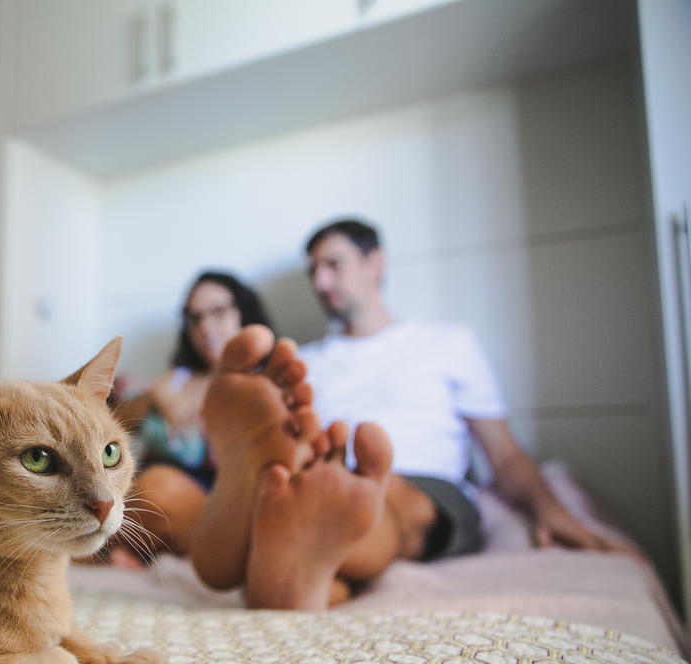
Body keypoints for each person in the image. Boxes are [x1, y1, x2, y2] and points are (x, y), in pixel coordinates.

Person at [185, 219, 637, 610]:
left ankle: (280, 537)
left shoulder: (447, 343)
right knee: (281, 482)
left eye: (332, 264)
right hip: (319, 469)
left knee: (378, 494)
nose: (320, 281)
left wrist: (552, 509)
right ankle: (299, 566)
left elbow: (503, 455)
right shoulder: (304, 361)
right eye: (313, 271)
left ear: (376, 263)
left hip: (425, 489)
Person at [109, 271, 273, 564]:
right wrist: (154, 397)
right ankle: (127, 550)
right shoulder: (176, 378)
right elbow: (115, 426)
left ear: (243, 312)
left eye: (218, 312)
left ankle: (124, 551)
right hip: (139, 487)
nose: (205, 327)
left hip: (209, 503)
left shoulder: (265, 383)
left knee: (158, 490)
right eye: (194, 318)